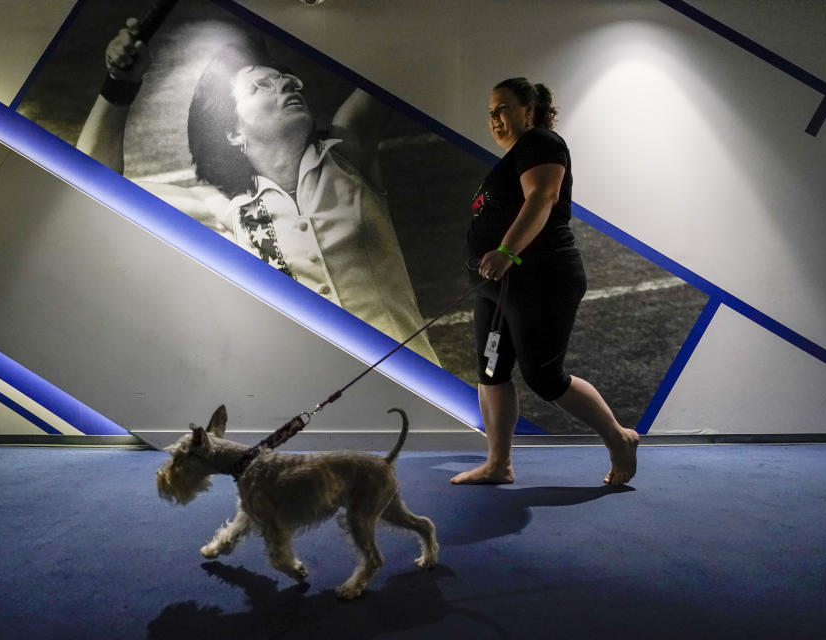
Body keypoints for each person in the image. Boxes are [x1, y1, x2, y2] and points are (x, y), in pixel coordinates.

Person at [76, 19, 438, 364]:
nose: (284, 85)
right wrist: (120, 83)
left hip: (416, 383)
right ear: (233, 133)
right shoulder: (226, 212)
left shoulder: (347, 154)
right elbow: (90, 182)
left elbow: (398, 52)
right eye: (259, 86)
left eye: (286, 80)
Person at [451, 77, 638, 486]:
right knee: (491, 372)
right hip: (496, 287)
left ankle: (619, 438)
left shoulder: (543, 144)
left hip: (541, 277)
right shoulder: (515, 156)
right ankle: (498, 464)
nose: (494, 119)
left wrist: (508, 250)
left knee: (544, 376)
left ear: (529, 109)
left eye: (502, 109)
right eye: (490, 113)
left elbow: (543, 197)